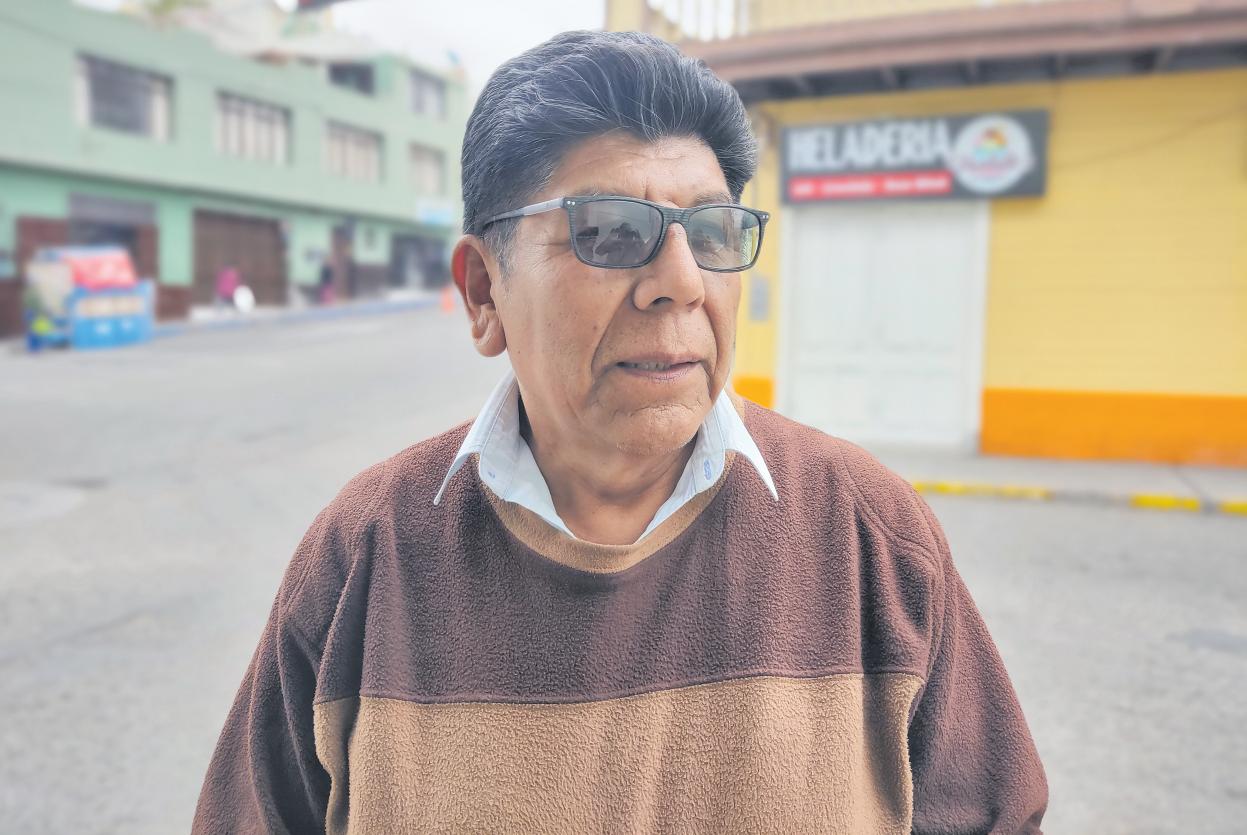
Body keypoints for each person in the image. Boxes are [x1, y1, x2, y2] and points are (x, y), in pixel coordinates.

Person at [192, 31, 1047, 834]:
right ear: (484, 291)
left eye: (711, 232)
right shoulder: (367, 551)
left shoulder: (869, 532)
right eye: (608, 232)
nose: (681, 282)